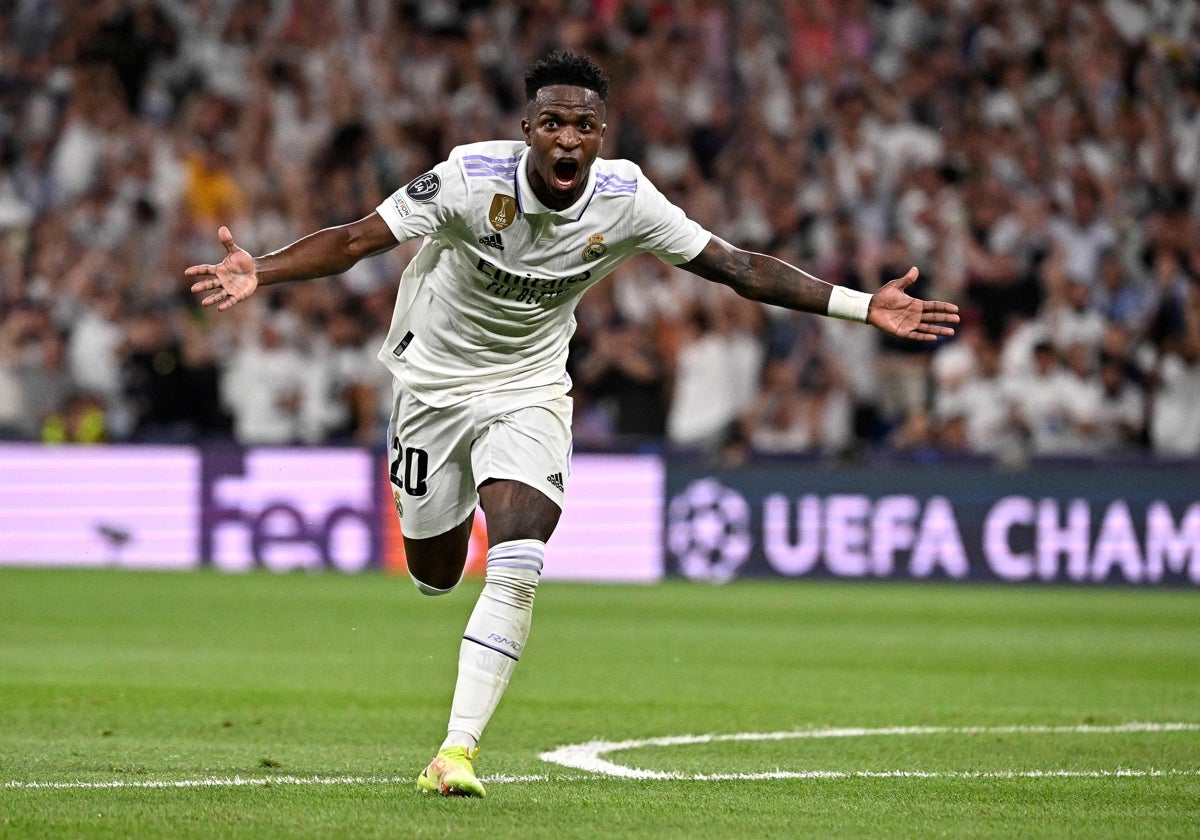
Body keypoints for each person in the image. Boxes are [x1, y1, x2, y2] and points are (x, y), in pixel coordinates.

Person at [186, 51, 959, 798]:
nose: (567, 139)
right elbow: (357, 240)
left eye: (583, 127)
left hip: (529, 390)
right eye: (552, 123)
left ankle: (455, 750)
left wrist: (860, 305)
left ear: (600, 135)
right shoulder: (466, 178)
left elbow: (737, 267)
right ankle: (442, 585)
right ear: (527, 128)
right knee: (435, 575)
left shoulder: (627, 199)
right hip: (431, 390)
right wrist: (266, 269)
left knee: (519, 560)